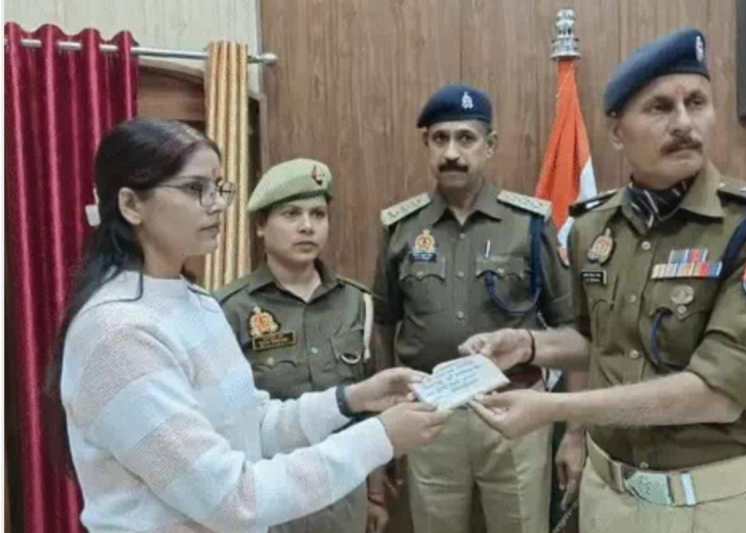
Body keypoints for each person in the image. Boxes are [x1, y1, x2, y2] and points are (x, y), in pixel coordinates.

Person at [45, 118, 450, 532]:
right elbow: (232, 498)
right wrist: (379, 437)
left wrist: (353, 399)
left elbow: (252, 425)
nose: (216, 204)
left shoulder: (195, 301)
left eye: (218, 187)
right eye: (195, 188)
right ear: (132, 205)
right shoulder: (119, 332)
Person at [461, 28, 746, 533]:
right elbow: (596, 340)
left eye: (696, 102)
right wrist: (527, 345)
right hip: (608, 499)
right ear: (617, 132)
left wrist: (554, 408)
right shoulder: (593, 226)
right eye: (659, 107)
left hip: (713, 506)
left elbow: (716, 392)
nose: (684, 123)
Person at [372, 83, 579, 533]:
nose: (452, 152)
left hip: (514, 410)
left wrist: (575, 429)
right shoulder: (401, 229)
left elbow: (572, 329)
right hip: (430, 417)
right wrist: (386, 418)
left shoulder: (528, 224)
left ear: (490, 145)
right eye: (440, 139)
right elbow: (384, 324)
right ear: (426, 145)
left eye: (465, 138)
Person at [216, 158, 391, 533]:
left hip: (345, 492)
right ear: (261, 225)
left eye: (318, 214)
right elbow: (224, 420)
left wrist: (375, 493)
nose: (307, 226)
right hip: (270, 496)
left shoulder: (356, 302)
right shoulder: (229, 310)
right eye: (291, 214)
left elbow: (373, 403)